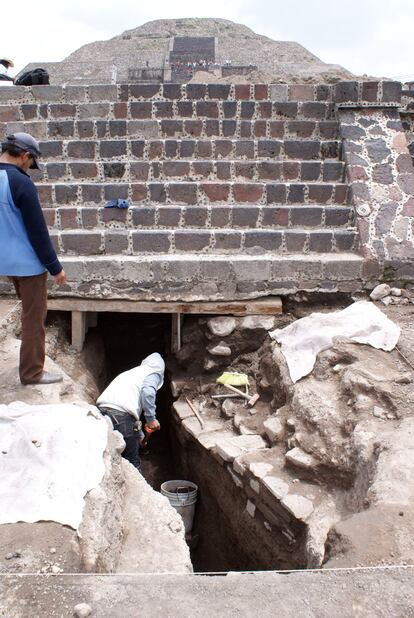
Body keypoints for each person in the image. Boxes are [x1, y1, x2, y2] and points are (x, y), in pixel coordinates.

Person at [0, 133, 66, 384]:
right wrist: (55, 267)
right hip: (27, 264)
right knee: (33, 319)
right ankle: (32, 373)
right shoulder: (21, 183)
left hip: (4, 261)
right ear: (25, 156)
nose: (30, 167)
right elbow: (37, 232)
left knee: (27, 312)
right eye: (31, 162)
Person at [96, 353, 165, 470]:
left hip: (102, 410)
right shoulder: (153, 373)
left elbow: (133, 421)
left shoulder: (132, 373)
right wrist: (151, 419)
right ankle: (136, 487)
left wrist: (139, 437)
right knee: (131, 460)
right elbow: (148, 393)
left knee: (108, 454)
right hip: (121, 415)